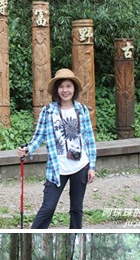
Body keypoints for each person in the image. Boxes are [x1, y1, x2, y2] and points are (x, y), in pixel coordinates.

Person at [18, 68, 96, 229]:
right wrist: (28, 149)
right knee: (48, 207)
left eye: (69, 86)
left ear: (74, 89)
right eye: (61, 86)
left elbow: (89, 139)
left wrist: (92, 166)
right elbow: (39, 136)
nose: (65, 90)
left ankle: (75, 238)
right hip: (56, 167)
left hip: (80, 165)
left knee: (76, 209)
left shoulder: (81, 110)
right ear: (56, 90)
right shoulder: (48, 111)